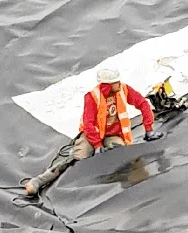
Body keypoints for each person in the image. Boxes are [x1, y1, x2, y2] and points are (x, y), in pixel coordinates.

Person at [24, 66, 164, 195]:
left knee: (120, 155)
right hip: (91, 135)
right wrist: (97, 145)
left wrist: (148, 129)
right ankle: (40, 180)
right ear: (106, 85)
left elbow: (142, 103)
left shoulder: (123, 90)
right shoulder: (92, 97)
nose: (119, 84)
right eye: (115, 82)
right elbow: (89, 124)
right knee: (77, 159)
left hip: (113, 134)